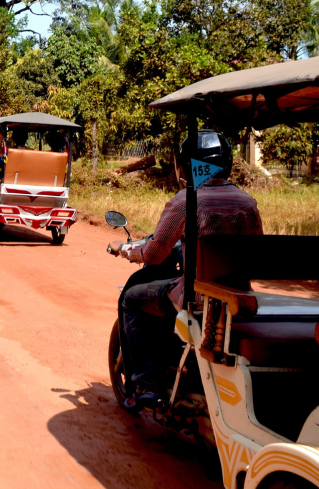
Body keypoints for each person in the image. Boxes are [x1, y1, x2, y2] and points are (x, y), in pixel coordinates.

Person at [109, 130, 263, 410]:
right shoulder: (248, 203)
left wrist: (126, 250)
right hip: (236, 298)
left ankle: (146, 382)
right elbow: (256, 254)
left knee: (131, 298)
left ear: (187, 166)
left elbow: (154, 253)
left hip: (197, 300)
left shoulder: (186, 200)